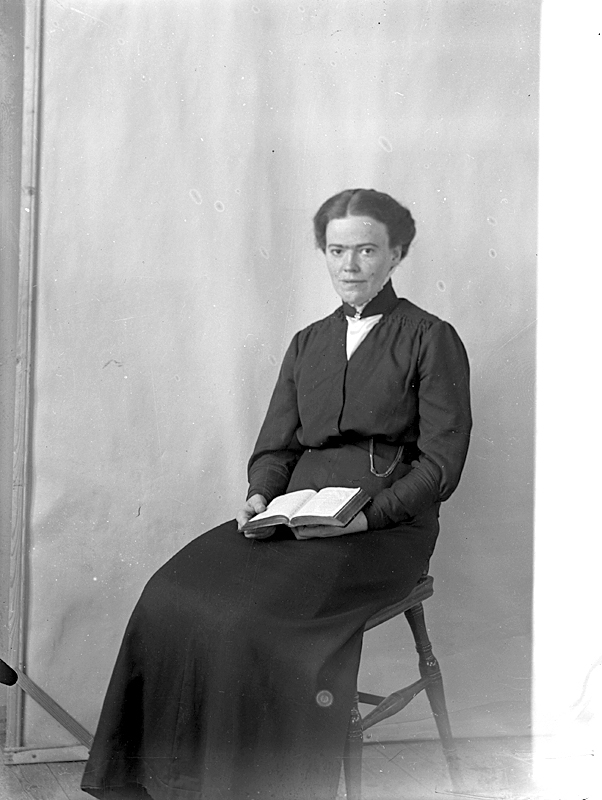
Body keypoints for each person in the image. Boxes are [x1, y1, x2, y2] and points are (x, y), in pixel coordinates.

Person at [81, 189, 472, 800]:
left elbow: (441, 465)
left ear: (396, 254)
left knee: (247, 619)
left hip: (386, 531)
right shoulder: (307, 342)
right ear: (324, 254)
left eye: (367, 250)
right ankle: (166, 783)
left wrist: (368, 518)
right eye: (337, 251)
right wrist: (261, 496)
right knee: (169, 594)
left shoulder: (430, 337)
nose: (350, 265)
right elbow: (275, 448)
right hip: (297, 515)